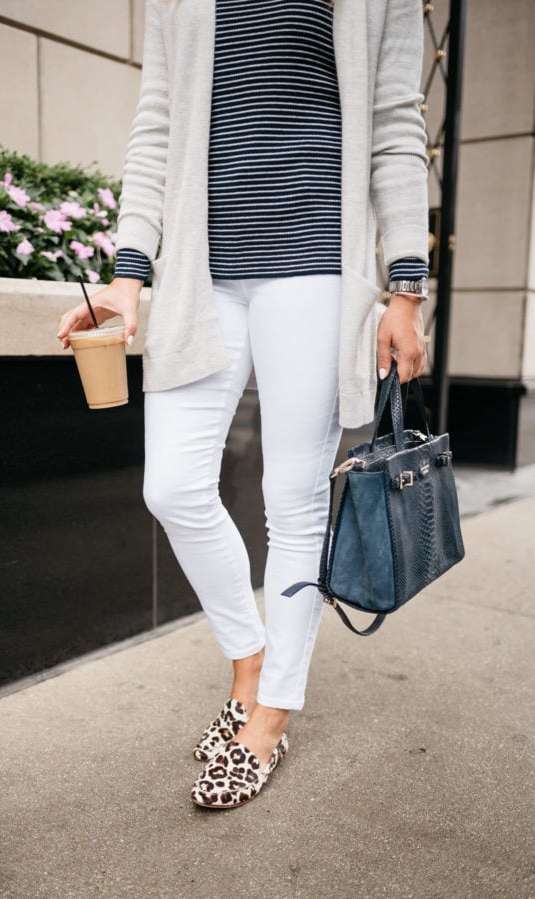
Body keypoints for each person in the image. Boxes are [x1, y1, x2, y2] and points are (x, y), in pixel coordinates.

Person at [57, 0, 430, 810]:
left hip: (315, 266)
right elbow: (156, 126)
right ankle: (249, 654)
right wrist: (129, 276)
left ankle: (271, 710)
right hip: (202, 269)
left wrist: (406, 286)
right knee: (173, 485)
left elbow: (397, 124)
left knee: (291, 503)